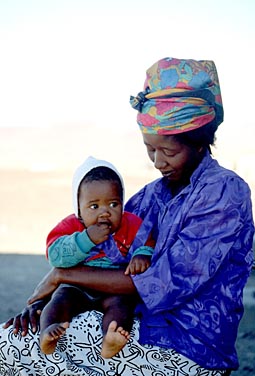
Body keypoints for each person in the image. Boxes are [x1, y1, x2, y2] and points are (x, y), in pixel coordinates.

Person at [1, 57, 254, 376]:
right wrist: (43, 305)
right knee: (20, 337)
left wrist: (62, 276)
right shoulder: (152, 195)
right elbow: (104, 258)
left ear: (201, 142)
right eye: (150, 149)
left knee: (12, 350)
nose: (158, 162)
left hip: (190, 351)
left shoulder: (224, 193)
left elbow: (161, 285)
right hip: (140, 329)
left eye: (169, 152)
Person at [37, 156, 154, 357]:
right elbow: (55, 256)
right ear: (79, 209)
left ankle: (111, 340)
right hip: (78, 289)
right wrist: (85, 239)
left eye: (113, 204)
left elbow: (148, 240)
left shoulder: (131, 223)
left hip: (113, 290)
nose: (105, 213)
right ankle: (47, 333)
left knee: (122, 306)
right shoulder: (72, 226)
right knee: (60, 299)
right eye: (94, 206)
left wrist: (142, 255)